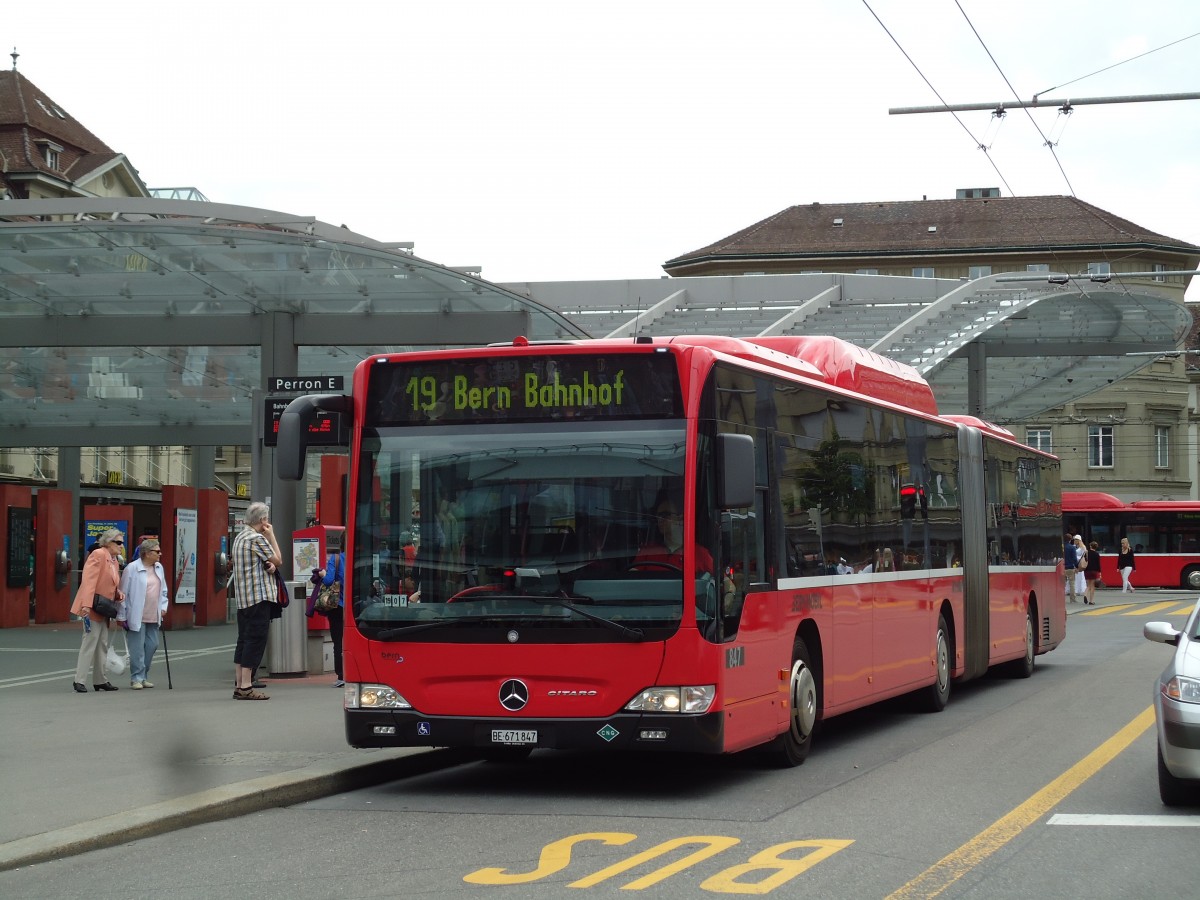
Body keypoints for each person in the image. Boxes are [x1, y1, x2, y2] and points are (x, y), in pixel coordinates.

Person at [230, 501, 283, 700]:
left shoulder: (240, 537)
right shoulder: (256, 538)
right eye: (266, 519)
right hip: (258, 597)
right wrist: (272, 536)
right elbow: (278, 559)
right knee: (256, 640)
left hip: (243, 598)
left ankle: (239, 684)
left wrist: (269, 566)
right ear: (262, 520)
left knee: (243, 640)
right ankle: (246, 686)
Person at [69, 528, 125, 693]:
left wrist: (118, 594)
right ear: (108, 542)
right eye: (118, 542)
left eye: (122, 543)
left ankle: (100, 680)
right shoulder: (98, 554)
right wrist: (86, 605)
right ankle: (79, 680)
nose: (121, 546)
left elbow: (110, 583)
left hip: (104, 607)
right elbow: (89, 580)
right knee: (90, 642)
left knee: (102, 644)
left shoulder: (114, 560)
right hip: (93, 606)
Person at [116, 538, 170, 689]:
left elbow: (163, 590)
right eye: (157, 551)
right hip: (136, 615)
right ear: (147, 553)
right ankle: (137, 678)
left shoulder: (159, 567)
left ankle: (143, 675)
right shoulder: (132, 568)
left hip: (154, 614)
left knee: (152, 645)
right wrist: (121, 615)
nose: (160, 554)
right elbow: (123, 593)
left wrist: (163, 606)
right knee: (137, 649)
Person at [633, 495, 714, 574]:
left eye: (665, 515)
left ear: (680, 518)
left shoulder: (700, 554)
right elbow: (632, 577)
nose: (660, 519)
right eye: (658, 516)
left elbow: (716, 579)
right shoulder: (648, 552)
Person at [312, 548, 346, 687]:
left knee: (338, 641)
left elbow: (328, 580)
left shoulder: (336, 558)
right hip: (356, 606)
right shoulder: (359, 557)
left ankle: (341, 675)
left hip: (338, 605)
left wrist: (323, 574)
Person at [1083, 539, 1102, 605]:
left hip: (1087, 571)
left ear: (1090, 546)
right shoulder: (1097, 554)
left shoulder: (1086, 553)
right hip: (1094, 571)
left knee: (1088, 585)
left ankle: (1085, 595)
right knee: (1092, 586)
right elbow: (1098, 564)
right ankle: (1091, 601)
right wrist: (1100, 573)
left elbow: (1084, 561)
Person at [1063, 533, 1078, 603]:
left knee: (1062, 584)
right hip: (1070, 568)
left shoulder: (1061, 547)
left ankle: (1061, 598)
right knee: (1072, 584)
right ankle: (1072, 599)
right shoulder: (1072, 547)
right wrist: (1076, 566)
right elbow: (1074, 559)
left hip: (1062, 568)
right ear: (1070, 539)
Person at [1072, 535, 1088, 600]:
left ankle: (1080, 590)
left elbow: (1083, 555)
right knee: (1075, 577)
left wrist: (1076, 557)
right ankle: (1075, 590)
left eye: (1076, 540)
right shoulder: (1074, 546)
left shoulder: (1083, 547)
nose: (1074, 541)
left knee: (1080, 576)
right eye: (1074, 540)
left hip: (1080, 564)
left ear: (1078, 540)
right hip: (1074, 564)